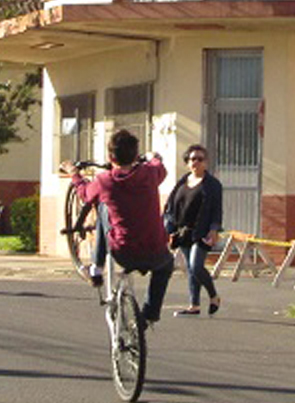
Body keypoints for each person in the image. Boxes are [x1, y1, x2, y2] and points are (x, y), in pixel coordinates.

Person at [62, 129, 173, 327]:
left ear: (110, 156)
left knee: (104, 207)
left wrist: (74, 174)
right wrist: (152, 157)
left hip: (124, 252)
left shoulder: (104, 181)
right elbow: (159, 166)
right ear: (135, 154)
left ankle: (96, 269)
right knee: (166, 266)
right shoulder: (149, 174)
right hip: (155, 251)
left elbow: (85, 194)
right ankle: (149, 313)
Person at [163, 144, 223, 317]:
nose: (196, 162)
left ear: (206, 162)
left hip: (202, 231)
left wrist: (214, 229)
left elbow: (217, 210)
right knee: (190, 268)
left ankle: (213, 296)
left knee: (196, 266)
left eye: (200, 159)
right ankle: (194, 305)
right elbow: (172, 205)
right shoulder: (183, 181)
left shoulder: (212, 185)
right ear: (187, 162)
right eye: (192, 159)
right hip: (183, 231)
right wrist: (169, 226)